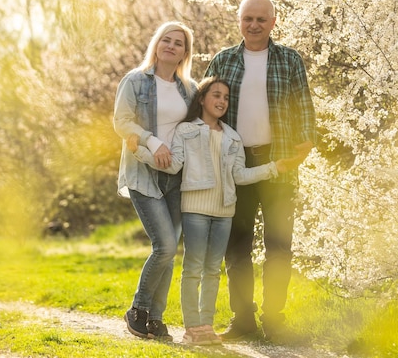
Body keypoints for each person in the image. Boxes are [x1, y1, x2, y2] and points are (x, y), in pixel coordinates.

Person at [126, 77, 297, 345]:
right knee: (193, 268)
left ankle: (206, 326)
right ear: (203, 99)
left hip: (225, 212)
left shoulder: (232, 137)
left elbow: (239, 175)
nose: (221, 101)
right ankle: (192, 327)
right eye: (216, 95)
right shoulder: (185, 130)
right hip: (194, 209)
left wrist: (274, 167)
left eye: (226, 98)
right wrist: (140, 153)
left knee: (213, 270)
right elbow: (173, 165)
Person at [203, 0, 316, 341]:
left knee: (279, 245)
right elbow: (204, 109)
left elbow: (304, 105)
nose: (254, 25)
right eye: (248, 19)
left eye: (261, 19)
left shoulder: (289, 60)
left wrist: (307, 140)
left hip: (279, 161)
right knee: (236, 244)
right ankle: (243, 320)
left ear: (273, 22)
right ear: (239, 21)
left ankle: (275, 319)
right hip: (235, 165)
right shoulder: (223, 61)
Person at [113, 21, 197, 341]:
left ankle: (155, 320)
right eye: (166, 40)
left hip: (177, 176)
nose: (171, 46)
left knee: (169, 249)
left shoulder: (189, 90)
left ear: (184, 53)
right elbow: (122, 122)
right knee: (163, 245)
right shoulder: (135, 81)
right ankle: (138, 309)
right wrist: (151, 141)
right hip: (143, 172)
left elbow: (196, 131)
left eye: (178, 43)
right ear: (156, 44)